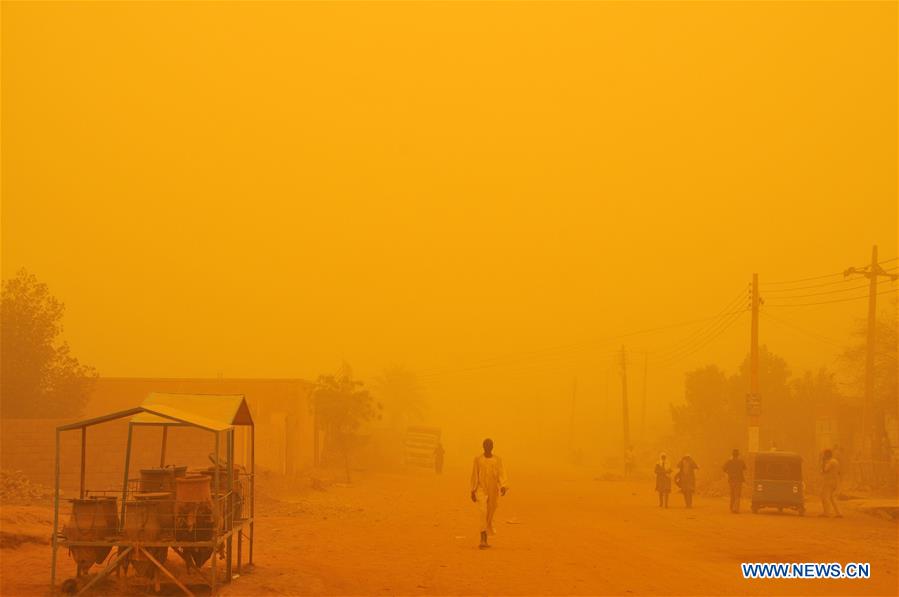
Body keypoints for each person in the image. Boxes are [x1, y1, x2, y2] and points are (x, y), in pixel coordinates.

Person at [470, 438, 508, 549]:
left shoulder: (497, 460)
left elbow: (502, 473)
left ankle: (486, 535)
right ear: (483, 446)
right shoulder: (478, 459)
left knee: (489, 513)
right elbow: (474, 475)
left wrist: (503, 486)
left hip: (493, 490)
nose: (487, 447)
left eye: (489, 445)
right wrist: (473, 490)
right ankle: (482, 539)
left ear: (492, 447)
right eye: (486, 445)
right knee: (483, 511)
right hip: (481, 489)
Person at [820, 448, 842, 518]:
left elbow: (825, 470)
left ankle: (827, 513)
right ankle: (839, 513)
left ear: (827, 454)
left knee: (824, 497)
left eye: (824, 454)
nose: (824, 455)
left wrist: (823, 462)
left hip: (828, 482)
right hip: (835, 481)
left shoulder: (830, 462)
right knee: (832, 498)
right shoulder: (836, 461)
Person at [722, 448, 746, 513]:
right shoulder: (741, 461)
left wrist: (729, 472)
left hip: (731, 479)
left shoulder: (729, 461)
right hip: (738, 480)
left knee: (732, 494)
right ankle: (735, 509)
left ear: (732, 455)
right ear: (738, 455)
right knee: (737, 494)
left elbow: (723, 468)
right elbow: (744, 468)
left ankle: (731, 507)